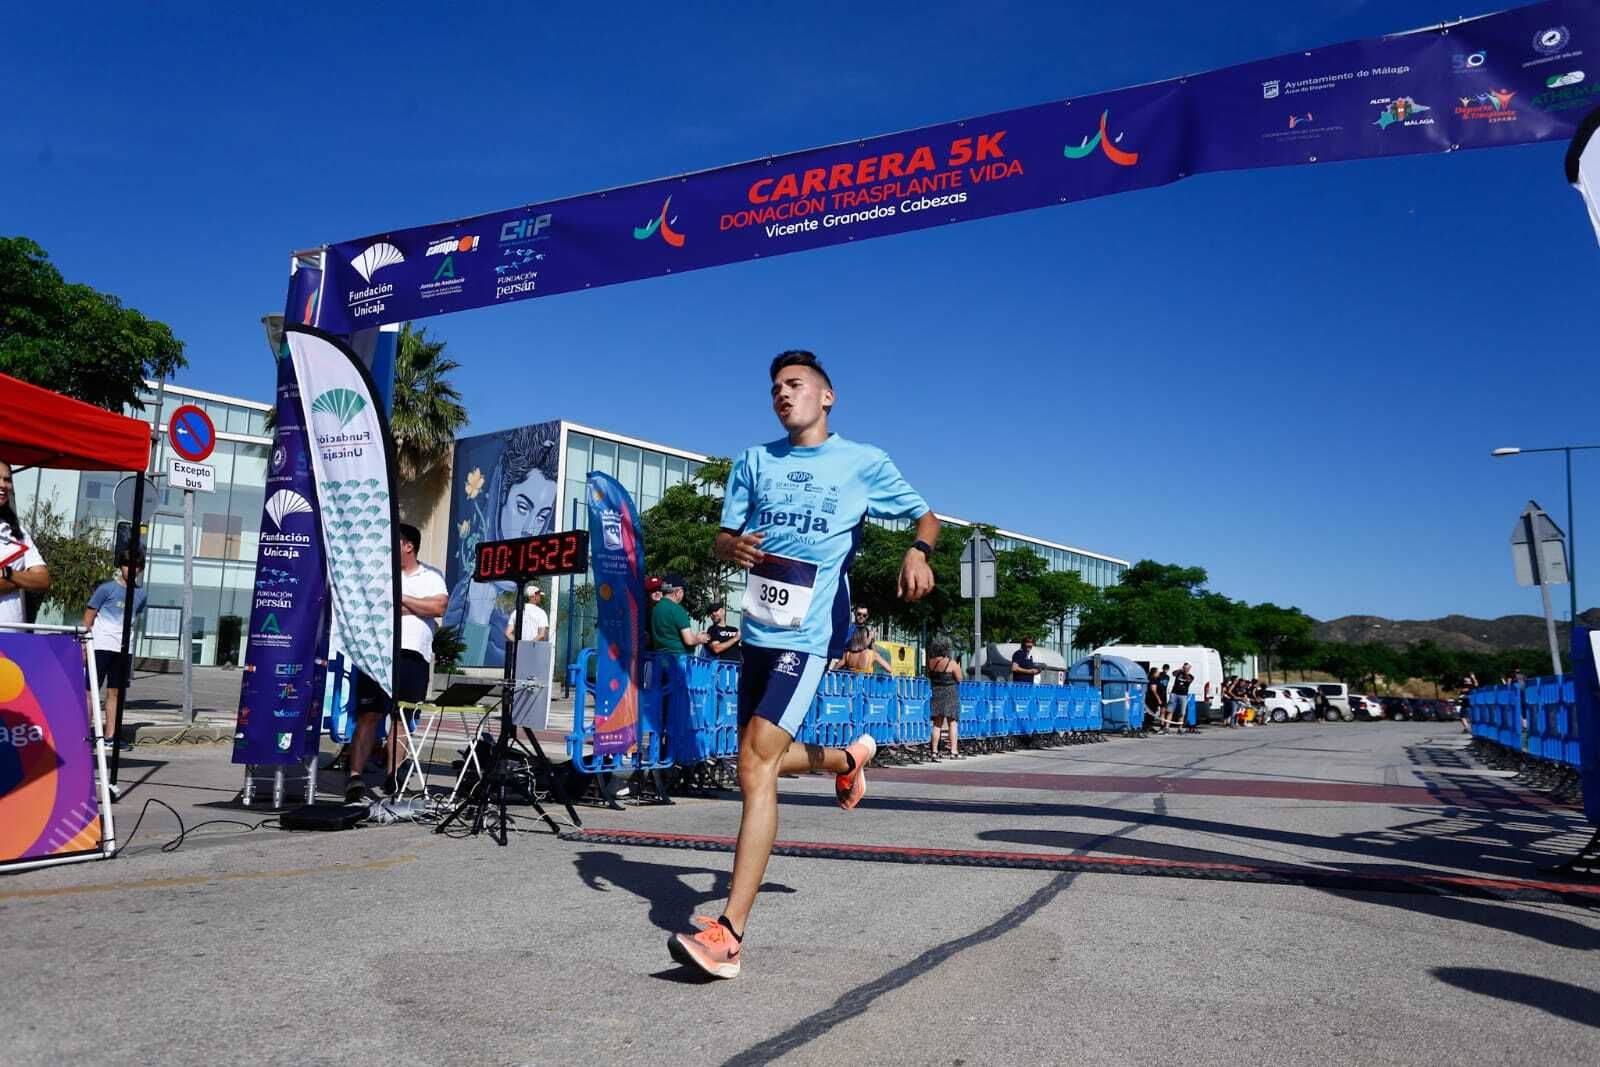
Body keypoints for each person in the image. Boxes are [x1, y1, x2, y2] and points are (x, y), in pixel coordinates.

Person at [667, 349, 938, 980]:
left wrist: (917, 551)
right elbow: (724, 535)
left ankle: (729, 934)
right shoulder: (754, 461)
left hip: (811, 633)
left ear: (826, 396)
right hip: (760, 629)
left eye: (794, 385)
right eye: (775, 389)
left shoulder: (863, 462)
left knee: (754, 767)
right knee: (751, 761)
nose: (782, 395)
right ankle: (848, 759)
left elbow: (927, 515)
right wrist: (728, 544)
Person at [442, 424, 560, 667]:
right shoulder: (466, 595)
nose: (530, 528)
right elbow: (460, 670)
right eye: (523, 507)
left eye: (542, 515)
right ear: (502, 497)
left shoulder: (535, 583)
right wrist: (477, 619)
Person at [346, 523, 449, 801]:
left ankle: (393, 776)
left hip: (413, 654)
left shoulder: (431, 576)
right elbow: (373, 608)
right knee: (368, 714)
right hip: (376, 654)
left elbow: (438, 607)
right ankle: (355, 777)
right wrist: (416, 605)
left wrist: (400, 599)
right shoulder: (380, 575)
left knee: (401, 718)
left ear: (408, 545)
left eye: (395, 541)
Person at [83, 550, 147, 748]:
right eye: (127, 563)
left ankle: (110, 737)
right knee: (91, 690)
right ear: (121, 565)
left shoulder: (142, 595)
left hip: (123, 649)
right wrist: (84, 646)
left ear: (140, 568)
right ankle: (84, 735)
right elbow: (88, 617)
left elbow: (135, 621)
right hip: (100, 645)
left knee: (115, 692)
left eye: (135, 564)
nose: (131, 568)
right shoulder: (106, 589)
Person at [0, 460, 51, 631]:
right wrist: (22, 580)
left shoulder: (17, 532)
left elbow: (43, 580)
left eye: (7, 480)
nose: (3, 485)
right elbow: (33, 579)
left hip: (12, 639)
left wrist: (9, 573)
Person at [650, 575, 707, 655]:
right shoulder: (677, 609)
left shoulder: (656, 609)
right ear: (677, 592)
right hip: (678, 659)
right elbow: (689, 640)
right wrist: (700, 639)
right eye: (683, 591)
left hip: (660, 658)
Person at [926, 636, 962, 759]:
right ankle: (953, 751)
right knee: (952, 722)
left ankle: (934, 751)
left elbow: (930, 676)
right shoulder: (951, 663)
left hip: (936, 692)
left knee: (937, 723)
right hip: (950, 693)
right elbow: (960, 678)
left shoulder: (931, 662)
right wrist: (958, 666)